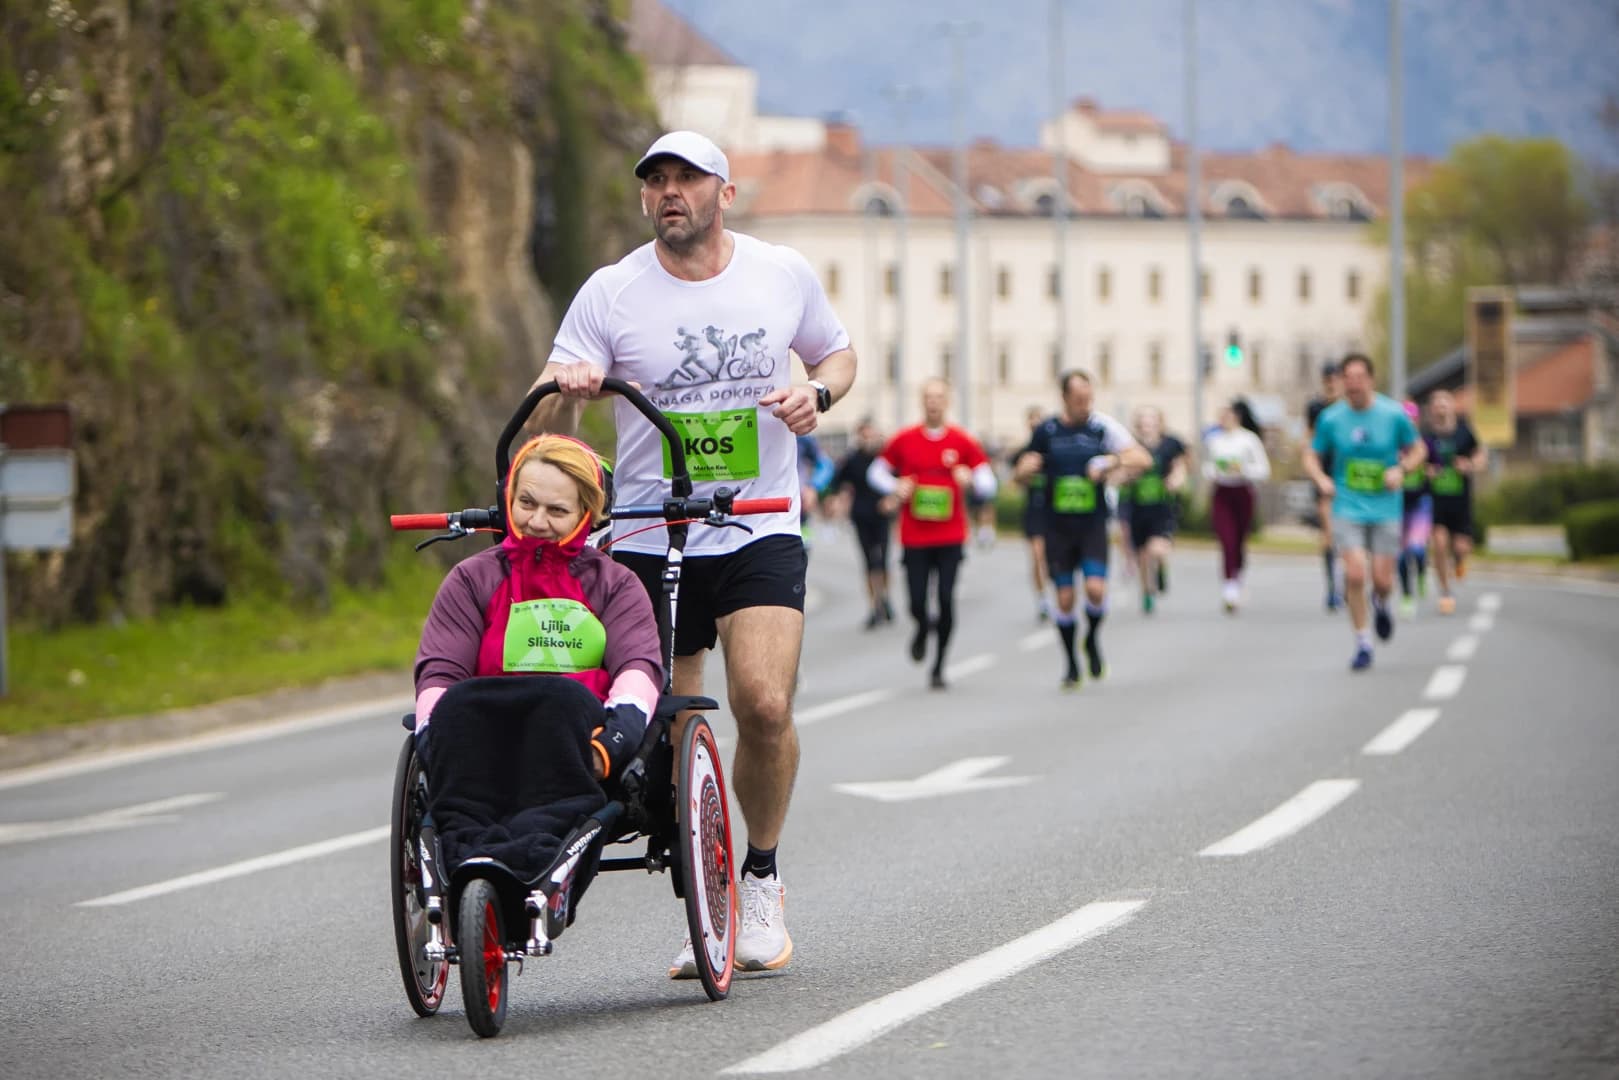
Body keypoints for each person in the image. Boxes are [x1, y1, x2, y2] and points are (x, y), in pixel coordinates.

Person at [533, 130, 859, 977]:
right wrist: (562, 393)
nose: (669, 191)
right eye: (655, 180)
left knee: (763, 705)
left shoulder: (778, 272)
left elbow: (838, 351)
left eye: (687, 178)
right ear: (644, 198)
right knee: (669, 738)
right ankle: (704, 898)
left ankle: (760, 878)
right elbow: (545, 407)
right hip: (647, 531)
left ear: (725, 191)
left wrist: (814, 391)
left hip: (756, 521)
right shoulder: (611, 293)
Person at [413, 435, 662, 778]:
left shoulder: (615, 585)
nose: (537, 522)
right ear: (508, 500)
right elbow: (441, 673)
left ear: (585, 515)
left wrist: (610, 744)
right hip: (485, 745)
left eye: (557, 510)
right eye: (527, 503)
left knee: (563, 702)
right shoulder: (471, 579)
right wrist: (438, 741)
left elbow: (638, 668)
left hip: (577, 750)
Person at [1015, 371, 1150, 688]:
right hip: (1057, 526)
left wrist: (1111, 462)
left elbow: (1141, 458)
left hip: (1091, 524)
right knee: (1064, 598)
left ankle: (1091, 639)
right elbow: (1020, 474)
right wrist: (1025, 469)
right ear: (1064, 398)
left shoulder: (1101, 427)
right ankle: (1071, 664)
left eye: (1088, 399)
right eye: (1078, 400)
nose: (1085, 405)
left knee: (1095, 590)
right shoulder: (1047, 431)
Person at [868, 378, 996, 690]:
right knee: (915, 602)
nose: (934, 402)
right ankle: (923, 627)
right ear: (922, 402)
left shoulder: (962, 441)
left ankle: (938, 666)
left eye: (939, 397)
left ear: (947, 401)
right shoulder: (905, 440)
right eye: (929, 397)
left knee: (946, 599)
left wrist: (971, 481)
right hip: (915, 536)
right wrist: (895, 486)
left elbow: (989, 483)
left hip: (951, 536)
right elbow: (876, 472)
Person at [1303, 353, 1426, 671]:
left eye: (1360, 377)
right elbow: (1311, 455)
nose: (1354, 384)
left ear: (1371, 380)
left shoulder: (1392, 414)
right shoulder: (1331, 419)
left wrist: (1402, 469)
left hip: (1386, 506)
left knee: (1383, 580)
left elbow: (1419, 449)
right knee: (1355, 574)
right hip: (1347, 504)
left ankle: (1381, 602)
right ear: (1342, 381)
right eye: (1348, 378)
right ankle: (1363, 642)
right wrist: (1321, 479)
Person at [1203, 399, 1271, 613]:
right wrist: (1215, 472)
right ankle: (1229, 585)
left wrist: (1243, 471)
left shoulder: (1248, 440)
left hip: (1242, 491)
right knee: (1227, 538)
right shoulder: (1214, 440)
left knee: (1239, 538)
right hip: (1222, 492)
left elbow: (1262, 469)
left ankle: (1238, 573)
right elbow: (1207, 466)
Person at [1119, 405, 1189, 614]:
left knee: (1156, 549)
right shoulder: (1131, 447)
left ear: (1159, 423)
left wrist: (1176, 480)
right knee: (1141, 554)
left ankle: (1160, 569)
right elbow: (1121, 474)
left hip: (1162, 505)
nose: (1147, 425)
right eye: (1143, 421)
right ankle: (1147, 592)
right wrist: (1127, 477)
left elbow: (1180, 467)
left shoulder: (1170, 444)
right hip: (1137, 506)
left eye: (1151, 420)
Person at [1422, 389, 1485, 615]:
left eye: (1444, 402)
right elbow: (1414, 460)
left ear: (1452, 407)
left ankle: (1459, 561)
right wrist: (1425, 470)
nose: (1441, 407)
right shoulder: (1426, 436)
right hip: (1435, 499)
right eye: (1436, 403)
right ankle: (1445, 592)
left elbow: (1480, 456)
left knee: (1461, 547)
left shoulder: (1463, 432)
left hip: (1460, 499)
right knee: (1438, 545)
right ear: (1431, 409)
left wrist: (1469, 465)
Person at [833, 418, 896, 630]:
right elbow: (839, 482)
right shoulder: (852, 459)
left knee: (884, 561)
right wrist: (840, 499)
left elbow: (898, 480)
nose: (868, 439)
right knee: (869, 563)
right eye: (864, 435)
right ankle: (873, 606)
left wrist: (892, 500)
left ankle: (886, 598)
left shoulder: (884, 458)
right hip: (861, 515)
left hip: (882, 515)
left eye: (871, 434)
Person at [1306, 361, 1346, 611]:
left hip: (1352, 475)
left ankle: (1353, 579)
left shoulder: (1351, 406)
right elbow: (1308, 440)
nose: (1331, 382)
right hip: (1327, 474)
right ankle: (1333, 586)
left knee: (1354, 534)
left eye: (1335, 377)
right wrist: (1316, 473)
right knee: (1329, 533)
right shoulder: (1316, 408)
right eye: (1327, 378)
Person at [1015, 406, 1053, 621]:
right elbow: (1015, 481)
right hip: (1034, 510)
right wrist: (1024, 471)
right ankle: (1042, 599)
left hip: (1055, 511)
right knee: (1037, 556)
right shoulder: (1025, 452)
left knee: (1055, 558)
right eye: (1032, 421)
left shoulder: (1054, 449)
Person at [1396, 400, 1432, 618]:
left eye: (1411, 418)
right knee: (1401, 556)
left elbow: (1437, 463)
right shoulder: (1392, 444)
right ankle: (1407, 595)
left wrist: (1431, 470)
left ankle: (1421, 572)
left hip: (1420, 504)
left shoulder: (1423, 443)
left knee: (1417, 550)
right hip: (1397, 506)